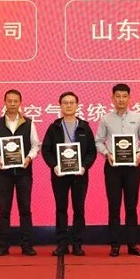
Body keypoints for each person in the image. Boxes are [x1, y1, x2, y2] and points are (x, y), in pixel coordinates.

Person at [95, 83, 140, 257]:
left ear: (129, 98)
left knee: (131, 206)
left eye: (124, 96)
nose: (121, 99)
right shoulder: (106, 119)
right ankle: (115, 245)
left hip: (133, 167)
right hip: (113, 167)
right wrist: (107, 154)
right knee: (114, 206)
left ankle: (132, 244)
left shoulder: (138, 118)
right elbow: (98, 141)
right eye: (117, 96)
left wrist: (139, 152)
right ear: (112, 98)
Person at [0, 89, 41, 256]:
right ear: (5, 102)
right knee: (4, 210)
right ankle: (3, 245)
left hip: (24, 173)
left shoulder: (29, 123)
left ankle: (27, 245)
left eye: (15, 101)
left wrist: (29, 157)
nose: (12, 104)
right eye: (9, 101)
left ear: (20, 103)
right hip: (3, 174)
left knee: (25, 209)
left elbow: (36, 145)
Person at [41, 91, 97, 256]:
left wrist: (84, 166)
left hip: (80, 175)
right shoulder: (54, 127)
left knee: (79, 209)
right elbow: (46, 150)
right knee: (61, 208)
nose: (69, 105)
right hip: (59, 175)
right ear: (60, 106)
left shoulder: (84, 127)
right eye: (65, 103)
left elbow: (92, 151)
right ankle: (62, 244)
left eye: (72, 102)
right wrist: (54, 166)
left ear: (77, 106)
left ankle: (77, 244)